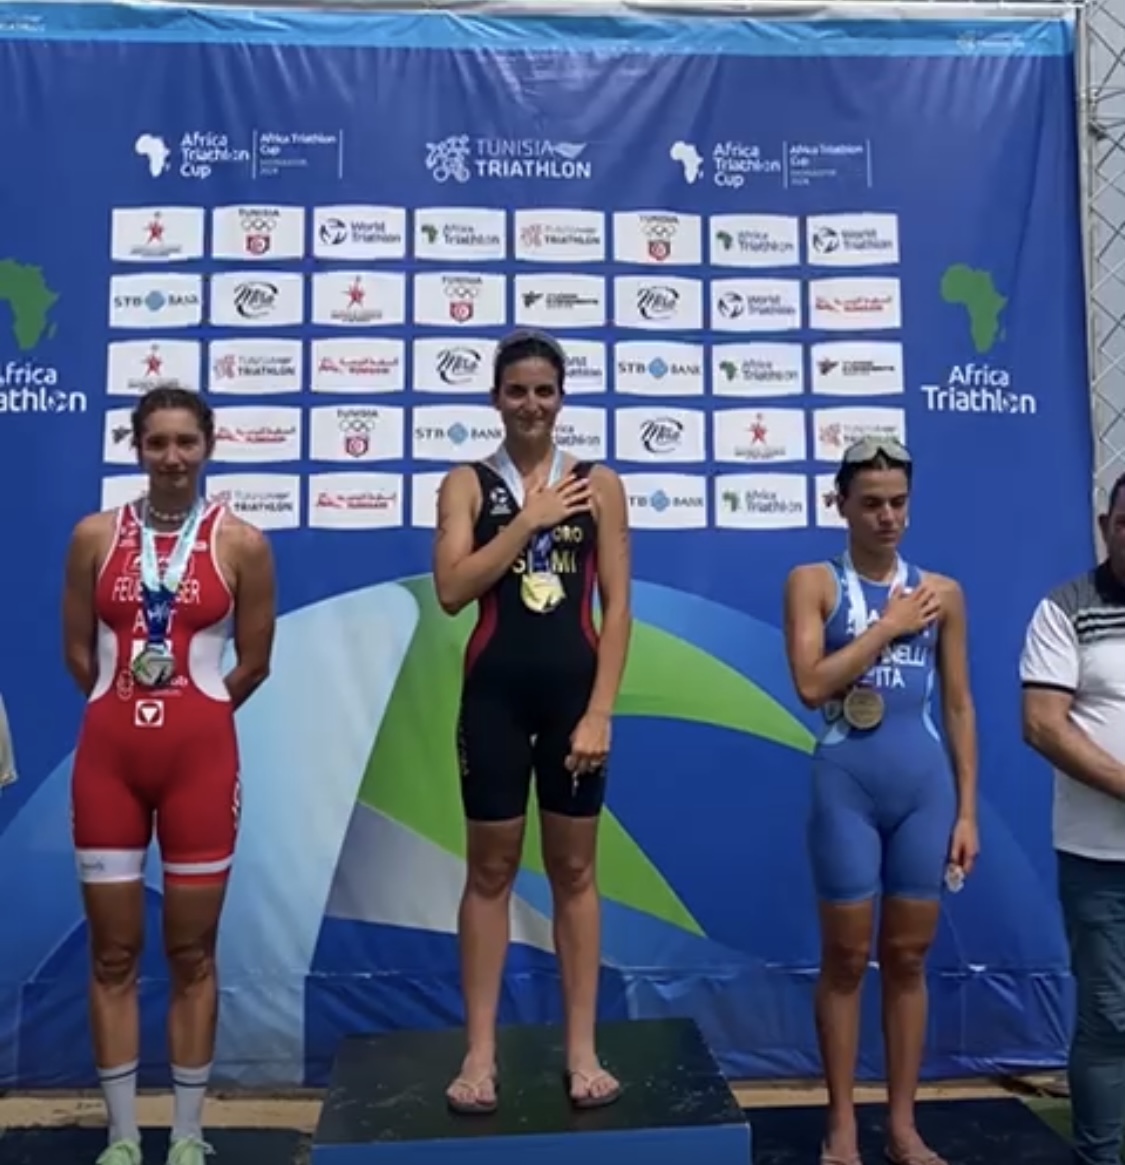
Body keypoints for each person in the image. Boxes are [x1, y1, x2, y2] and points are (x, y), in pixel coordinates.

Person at [61, 384, 276, 1165]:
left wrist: (198, 711)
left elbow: (254, 662)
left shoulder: (242, 543)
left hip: (199, 764)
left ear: (208, 445)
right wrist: (126, 707)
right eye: (158, 442)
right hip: (109, 763)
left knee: (192, 951)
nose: (173, 457)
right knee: (112, 953)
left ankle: (187, 1132)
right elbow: (78, 652)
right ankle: (122, 1136)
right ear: (137, 447)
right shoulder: (94, 535)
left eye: (186, 441)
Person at [432, 329, 632, 1114]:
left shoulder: (597, 484)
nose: (530, 404)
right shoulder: (466, 484)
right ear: (495, 397)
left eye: (543, 390)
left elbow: (617, 608)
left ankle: (581, 1050)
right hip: (493, 700)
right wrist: (526, 521)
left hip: (574, 704)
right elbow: (452, 589)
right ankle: (478, 1053)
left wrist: (600, 711)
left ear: (561, 397)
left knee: (575, 872)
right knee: (489, 871)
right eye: (516, 390)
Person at [782, 437, 979, 1165]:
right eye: (870, 503)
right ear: (840, 504)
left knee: (907, 956)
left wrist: (966, 810)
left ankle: (901, 1125)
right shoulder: (813, 582)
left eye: (897, 502)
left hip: (924, 791)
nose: (887, 516)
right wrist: (888, 627)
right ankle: (840, 1122)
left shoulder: (942, 593)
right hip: (847, 786)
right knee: (844, 957)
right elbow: (811, 684)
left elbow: (957, 705)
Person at [1021, 470, 1125, 1165]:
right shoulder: (1065, 609)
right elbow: (1042, 724)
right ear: (1105, 526)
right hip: (1099, 860)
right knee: (1111, 1019)